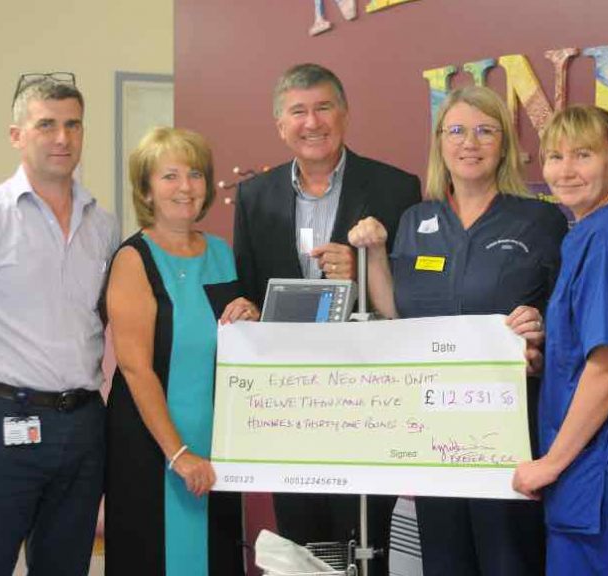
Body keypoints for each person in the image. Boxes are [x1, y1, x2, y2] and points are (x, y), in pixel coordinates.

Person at [349, 85, 568, 576]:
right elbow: (399, 317)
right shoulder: (415, 220)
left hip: (509, 431)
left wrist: (542, 333)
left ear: (505, 144)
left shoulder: (540, 219)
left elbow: (565, 318)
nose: (470, 142)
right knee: (444, 562)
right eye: (457, 131)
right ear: (439, 142)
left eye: (485, 131)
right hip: (433, 432)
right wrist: (377, 256)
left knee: (509, 560)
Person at [232, 62, 420, 575]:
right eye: (298, 112)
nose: (311, 122)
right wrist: (242, 308)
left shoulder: (396, 187)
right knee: (301, 540)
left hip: (367, 396)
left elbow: (409, 298)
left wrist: (360, 275)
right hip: (290, 400)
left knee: (366, 538)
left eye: (322, 108)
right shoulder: (254, 196)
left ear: (345, 114)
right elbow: (248, 288)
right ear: (280, 125)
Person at [0, 74, 119, 575]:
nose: (62, 138)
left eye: (73, 125)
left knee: (66, 566)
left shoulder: (102, 224)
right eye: (46, 124)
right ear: (17, 134)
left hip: (83, 426)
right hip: (2, 423)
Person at [103, 127, 258, 575]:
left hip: (217, 445)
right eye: (169, 176)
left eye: (194, 174)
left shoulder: (222, 253)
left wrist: (250, 314)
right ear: (147, 190)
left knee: (217, 558)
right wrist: (178, 453)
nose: (185, 187)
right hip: (155, 447)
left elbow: (229, 340)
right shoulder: (134, 259)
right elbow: (135, 369)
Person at [511, 105, 608, 575]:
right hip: (586, 473)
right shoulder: (587, 232)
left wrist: (551, 463)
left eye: (582, 155)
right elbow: (585, 350)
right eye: (554, 157)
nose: (565, 171)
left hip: (593, 475)